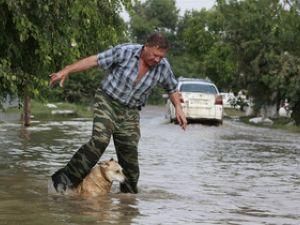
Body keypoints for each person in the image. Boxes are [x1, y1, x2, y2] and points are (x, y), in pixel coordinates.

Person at [49, 32, 187, 194]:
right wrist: (67, 70)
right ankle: (64, 179)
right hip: (107, 100)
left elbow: (171, 88)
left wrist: (178, 107)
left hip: (130, 111)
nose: (157, 60)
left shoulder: (163, 67)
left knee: (130, 157)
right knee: (100, 141)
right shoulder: (125, 52)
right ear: (146, 47)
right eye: (155, 55)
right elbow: (94, 60)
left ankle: (127, 199)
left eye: (161, 57)